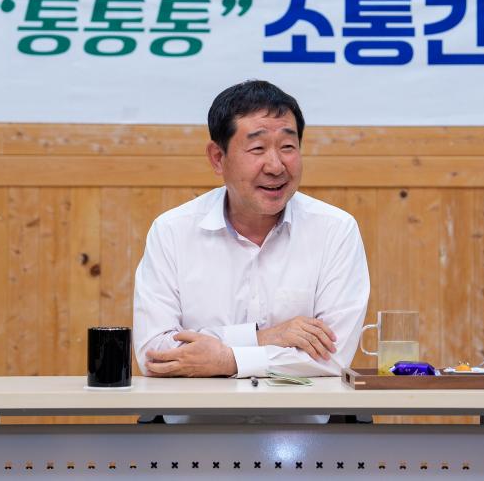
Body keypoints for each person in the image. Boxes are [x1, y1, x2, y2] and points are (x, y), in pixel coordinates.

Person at [132, 80, 370, 380]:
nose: (275, 166)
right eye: (257, 148)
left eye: (287, 147)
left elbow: (332, 357)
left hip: (299, 411)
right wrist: (263, 338)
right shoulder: (172, 231)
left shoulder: (335, 230)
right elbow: (155, 354)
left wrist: (228, 360)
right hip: (198, 410)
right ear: (218, 158)